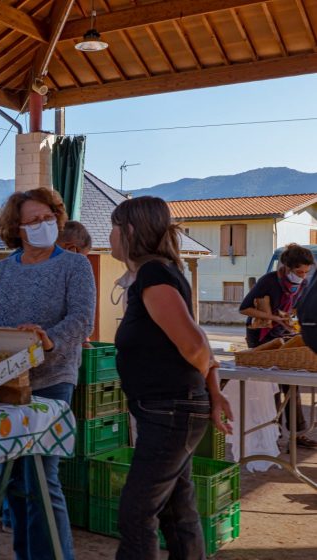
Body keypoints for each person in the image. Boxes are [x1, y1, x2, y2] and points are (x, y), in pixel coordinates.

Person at [0, 187, 96, 560]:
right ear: (18, 229)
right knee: (10, 482)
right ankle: (24, 553)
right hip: (1, 386)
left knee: (42, 479)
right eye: (33, 221)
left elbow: (82, 320)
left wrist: (49, 341)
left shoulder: (74, 266)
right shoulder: (1, 271)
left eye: (48, 218)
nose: (43, 225)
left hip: (50, 383)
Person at [110, 196, 233, 560]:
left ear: (130, 230)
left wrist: (205, 389)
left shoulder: (154, 274)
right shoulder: (158, 272)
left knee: (137, 512)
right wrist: (210, 391)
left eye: (114, 227)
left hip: (171, 411)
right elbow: (198, 339)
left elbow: (195, 345)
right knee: (178, 512)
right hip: (172, 410)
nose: (111, 236)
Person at [239, 243, 317, 448]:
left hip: (284, 334)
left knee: (292, 385)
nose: (302, 276)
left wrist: (292, 321)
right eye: (299, 271)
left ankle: (297, 434)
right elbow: (244, 309)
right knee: (271, 387)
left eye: (306, 272)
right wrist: (273, 317)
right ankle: (272, 433)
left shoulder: (302, 285)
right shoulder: (269, 281)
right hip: (262, 338)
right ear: (287, 268)